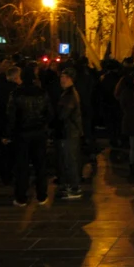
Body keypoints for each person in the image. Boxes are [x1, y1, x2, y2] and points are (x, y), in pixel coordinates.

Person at [3, 66, 54, 206]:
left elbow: (11, 116)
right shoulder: (42, 93)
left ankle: (21, 197)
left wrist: (8, 133)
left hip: (21, 133)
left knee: (22, 166)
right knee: (40, 165)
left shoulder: (16, 94)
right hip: (38, 132)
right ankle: (41, 195)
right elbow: (49, 113)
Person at [56, 68, 84, 200]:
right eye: (61, 77)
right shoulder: (69, 93)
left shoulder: (70, 95)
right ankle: (72, 185)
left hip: (69, 131)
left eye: (65, 77)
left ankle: (74, 187)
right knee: (70, 159)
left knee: (70, 160)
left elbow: (63, 114)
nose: (62, 80)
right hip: (70, 131)